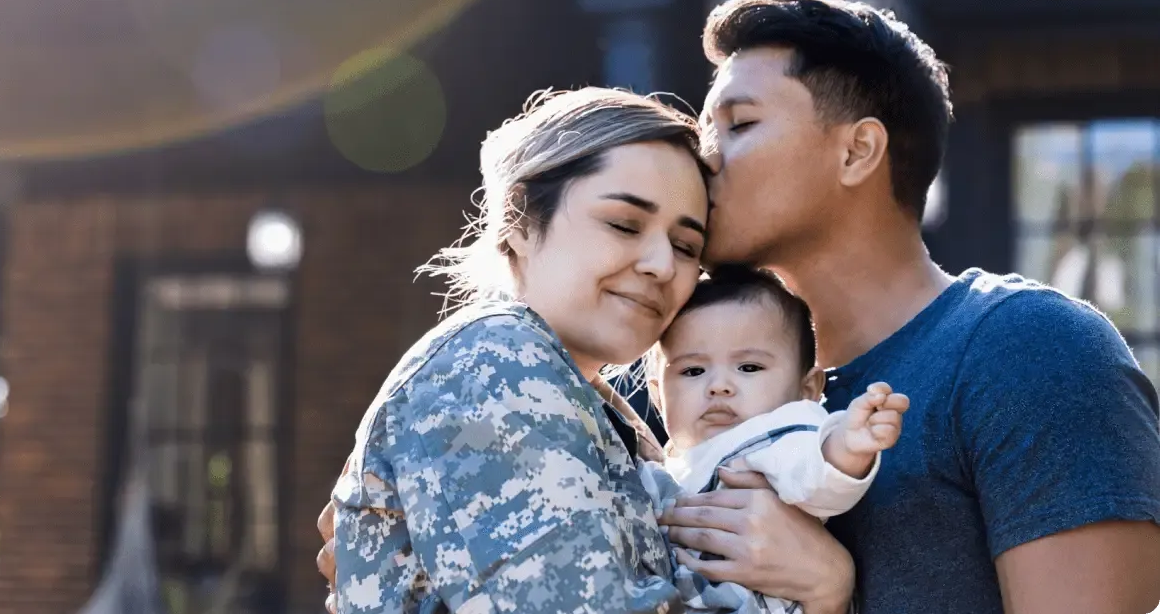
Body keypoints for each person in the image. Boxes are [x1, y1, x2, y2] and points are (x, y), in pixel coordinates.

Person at [656, 0, 1160, 614]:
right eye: (706, 129)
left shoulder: (1031, 351)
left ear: (857, 151)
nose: (704, 157)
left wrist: (831, 591)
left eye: (739, 126)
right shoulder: (692, 381)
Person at [322, 87, 856, 613]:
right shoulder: (494, 363)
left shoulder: (594, 404)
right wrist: (825, 588)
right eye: (624, 224)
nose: (661, 265)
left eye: (685, 246)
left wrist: (821, 584)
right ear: (520, 219)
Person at [638, 265, 908, 613]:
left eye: (749, 368)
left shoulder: (772, 435)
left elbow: (814, 474)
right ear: (659, 396)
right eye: (693, 371)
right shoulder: (669, 465)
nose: (719, 386)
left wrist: (848, 445)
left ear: (807, 389)